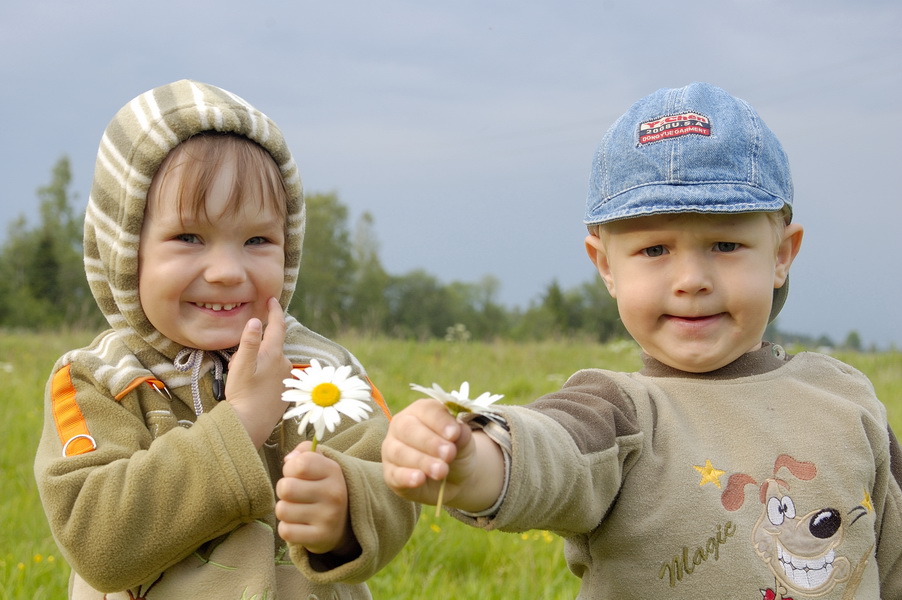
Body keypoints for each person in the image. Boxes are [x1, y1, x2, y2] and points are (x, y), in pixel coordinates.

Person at [382, 82, 902, 599]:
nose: (691, 279)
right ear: (606, 266)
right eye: (655, 250)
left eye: (726, 244)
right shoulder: (615, 411)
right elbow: (554, 453)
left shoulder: (845, 399)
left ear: (782, 255)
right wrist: (473, 463)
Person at [34, 79, 416, 599]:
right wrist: (240, 423)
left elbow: (393, 475)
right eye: (189, 237)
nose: (226, 271)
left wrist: (347, 511)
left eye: (258, 240)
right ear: (124, 248)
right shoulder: (97, 381)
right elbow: (96, 536)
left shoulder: (321, 369)